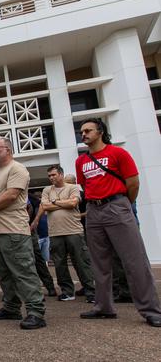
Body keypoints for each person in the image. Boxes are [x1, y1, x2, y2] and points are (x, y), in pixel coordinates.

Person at [75, 118, 161, 327]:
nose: (83, 134)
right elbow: (85, 186)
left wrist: (123, 204)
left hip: (117, 205)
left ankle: (151, 310)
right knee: (99, 262)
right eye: (81, 131)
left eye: (88, 130)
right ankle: (103, 306)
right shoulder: (81, 161)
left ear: (100, 132)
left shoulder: (118, 153)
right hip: (93, 211)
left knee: (134, 260)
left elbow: (133, 183)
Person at [0, 137, 46, 330]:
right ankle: (11, 307)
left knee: (23, 271)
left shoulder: (17, 169)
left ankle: (35, 311)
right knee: (4, 273)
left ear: (8, 149)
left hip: (13, 229)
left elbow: (11, 195)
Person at [40, 165, 95, 303]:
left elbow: (73, 203)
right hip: (55, 233)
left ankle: (91, 291)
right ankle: (67, 292)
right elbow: (45, 206)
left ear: (61, 174)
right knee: (60, 264)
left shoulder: (73, 188)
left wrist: (54, 202)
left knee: (82, 262)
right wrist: (62, 203)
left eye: (54, 175)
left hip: (74, 231)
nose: (51, 178)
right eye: (49, 176)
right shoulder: (46, 190)